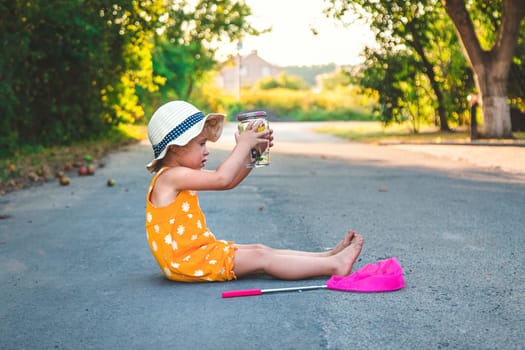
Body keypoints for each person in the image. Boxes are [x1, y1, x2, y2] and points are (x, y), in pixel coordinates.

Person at [145, 100, 364, 282]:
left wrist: (254, 153)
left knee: (260, 249)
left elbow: (230, 182)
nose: (207, 151)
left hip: (197, 254)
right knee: (261, 257)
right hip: (187, 262)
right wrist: (242, 145)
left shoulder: (177, 175)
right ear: (174, 147)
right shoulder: (170, 177)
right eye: (201, 143)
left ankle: (328, 256)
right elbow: (222, 178)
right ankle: (335, 265)